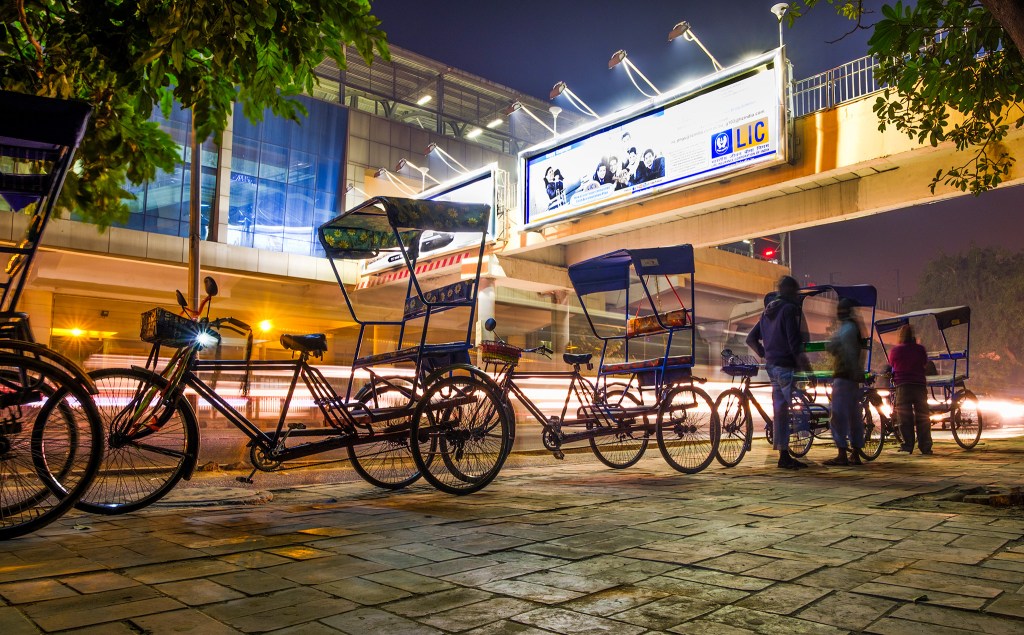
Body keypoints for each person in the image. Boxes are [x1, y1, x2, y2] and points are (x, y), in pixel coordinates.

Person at [746, 275, 810, 469]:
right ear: (790, 291)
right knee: (799, 411)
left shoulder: (766, 313)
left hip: (772, 366)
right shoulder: (789, 310)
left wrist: (765, 354)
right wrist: (808, 370)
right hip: (786, 365)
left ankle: (784, 454)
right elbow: (794, 342)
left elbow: (750, 339)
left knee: (780, 411)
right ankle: (789, 452)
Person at [824, 298, 865, 466]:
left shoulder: (846, 329)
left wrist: (833, 346)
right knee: (854, 417)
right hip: (852, 380)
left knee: (838, 417)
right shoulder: (854, 327)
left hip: (844, 377)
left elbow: (844, 351)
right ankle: (855, 453)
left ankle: (842, 453)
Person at [888, 324, 932, 454]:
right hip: (919, 385)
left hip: (903, 386)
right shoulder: (920, 349)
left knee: (904, 418)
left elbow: (892, 364)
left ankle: (908, 445)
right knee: (923, 417)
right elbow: (924, 362)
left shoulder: (895, 351)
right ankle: (925, 447)